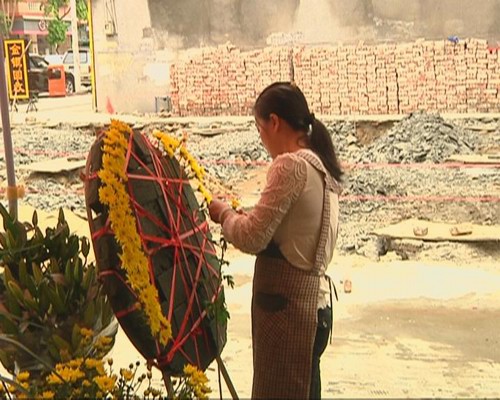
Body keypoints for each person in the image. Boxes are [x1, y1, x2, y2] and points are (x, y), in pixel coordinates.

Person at [208, 82, 343, 399]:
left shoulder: (291, 165)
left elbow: (252, 237)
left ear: (274, 122)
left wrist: (225, 214)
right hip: (314, 307)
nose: (262, 138)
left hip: (290, 312)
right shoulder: (321, 166)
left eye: (259, 128)